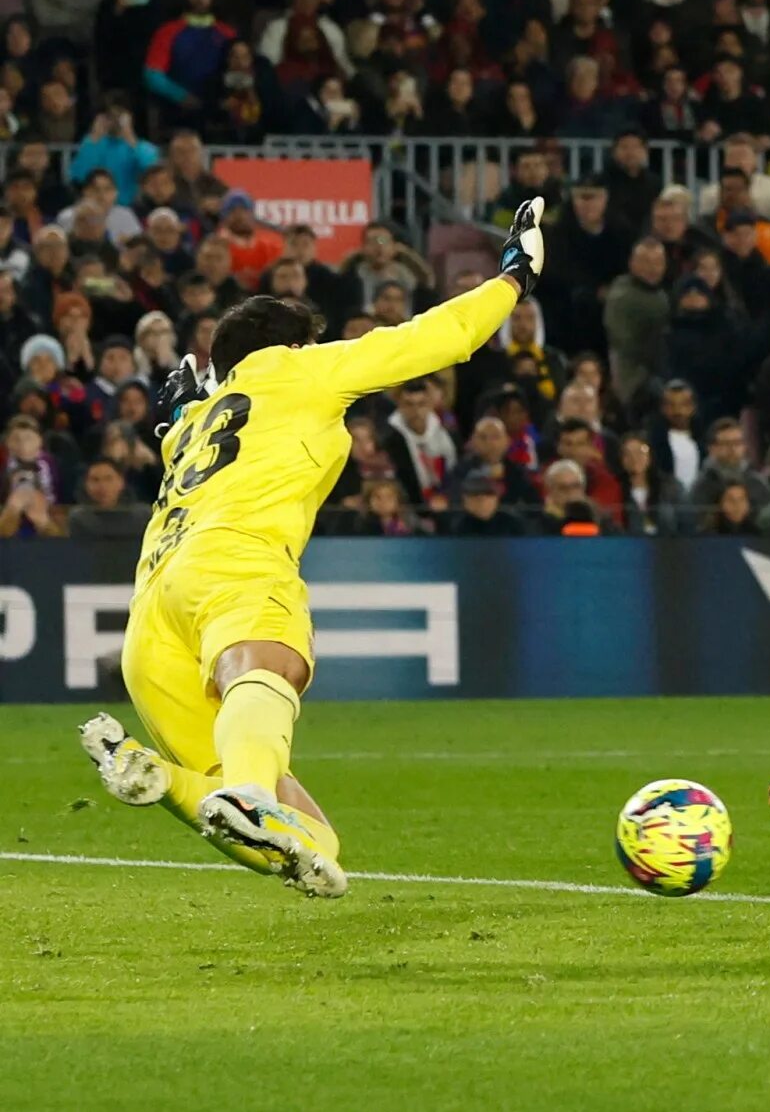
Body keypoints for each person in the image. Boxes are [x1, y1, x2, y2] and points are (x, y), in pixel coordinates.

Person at [77, 200, 549, 897]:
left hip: (152, 610)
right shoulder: (297, 372)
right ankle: (242, 792)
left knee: (313, 849)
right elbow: (435, 337)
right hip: (235, 560)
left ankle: (157, 777)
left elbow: (174, 424)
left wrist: (176, 410)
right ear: (290, 345)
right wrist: (512, 278)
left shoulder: (198, 420)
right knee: (272, 675)